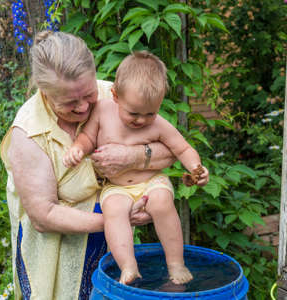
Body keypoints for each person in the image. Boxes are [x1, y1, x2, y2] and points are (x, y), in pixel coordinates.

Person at [0, 32, 177, 300]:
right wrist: (117, 220)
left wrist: (134, 156)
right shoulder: (28, 133)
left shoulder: (116, 96)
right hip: (59, 244)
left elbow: (171, 150)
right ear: (44, 92)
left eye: (89, 94)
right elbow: (43, 216)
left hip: (114, 237)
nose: (84, 107)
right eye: (70, 103)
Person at [64, 51, 209, 285]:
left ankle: (175, 263)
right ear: (115, 96)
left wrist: (196, 168)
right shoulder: (102, 111)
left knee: (162, 200)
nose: (141, 120)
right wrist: (78, 149)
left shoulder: (159, 124)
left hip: (151, 182)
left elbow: (183, 149)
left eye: (150, 113)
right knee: (112, 211)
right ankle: (128, 266)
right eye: (133, 113)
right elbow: (88, 138)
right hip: (116, 186)